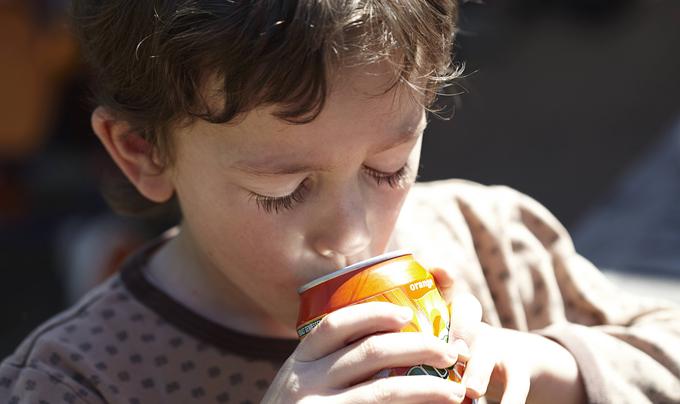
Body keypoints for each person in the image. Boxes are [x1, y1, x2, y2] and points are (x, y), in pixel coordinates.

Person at [1, 1, 679, 403]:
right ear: (143, 152)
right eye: (283, 190)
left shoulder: (489, 241)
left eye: (387, 167)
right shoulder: (80, 379)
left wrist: (538, 368)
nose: (351, 237)